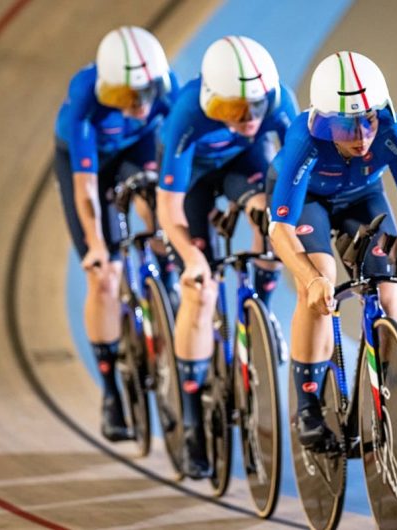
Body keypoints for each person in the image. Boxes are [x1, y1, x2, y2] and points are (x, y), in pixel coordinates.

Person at [268, 51, 397, 451]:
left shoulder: (391, 130)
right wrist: (309, 280)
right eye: (346, 126)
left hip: (362, 199)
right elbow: (279, 230)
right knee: (321, 284)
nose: (362, 135)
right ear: (324, 123)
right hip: (306, 201)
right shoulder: (304, 139)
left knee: (387, 289)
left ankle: (375, 385)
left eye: (368, 120)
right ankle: (309, 404)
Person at [156, 36, 298, 478]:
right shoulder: (185, 115)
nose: (249, 118)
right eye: (236, 110)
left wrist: (279, 237)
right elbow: (169, 208)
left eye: (257, 107)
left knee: (268, 216)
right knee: (201, 291)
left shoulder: (279, 101)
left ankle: (260, 311)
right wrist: (190, 258)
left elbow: (292, 178)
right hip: (192, 185)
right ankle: (193, 418)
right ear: (212, 100)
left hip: (244, 168)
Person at [54, 26, 177, 442]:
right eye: (128, 97)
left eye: (147, 93)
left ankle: (165, 279)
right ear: (109, 90)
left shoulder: (167, 90)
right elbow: (86, 189)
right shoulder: (85, 102)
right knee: (104, 278)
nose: (140, 104)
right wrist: (96, 247)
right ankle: (111, 395)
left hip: (136, 151)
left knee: (160, 211)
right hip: (88, 163)